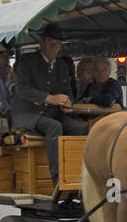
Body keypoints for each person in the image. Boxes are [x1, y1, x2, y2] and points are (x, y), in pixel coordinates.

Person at [10, 24, 85, 180]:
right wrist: (49, 98)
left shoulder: (62, 66)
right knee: (54, 127)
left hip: (51, 113)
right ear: (42, 42)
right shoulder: (27, 61)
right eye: (51, 43)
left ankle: (77, 174)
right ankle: (57, 178)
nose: (55, 47)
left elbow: (67, 91)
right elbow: (22, 89)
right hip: (27, 114)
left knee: (78, 128)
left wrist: (68, 103)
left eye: (58, 44)